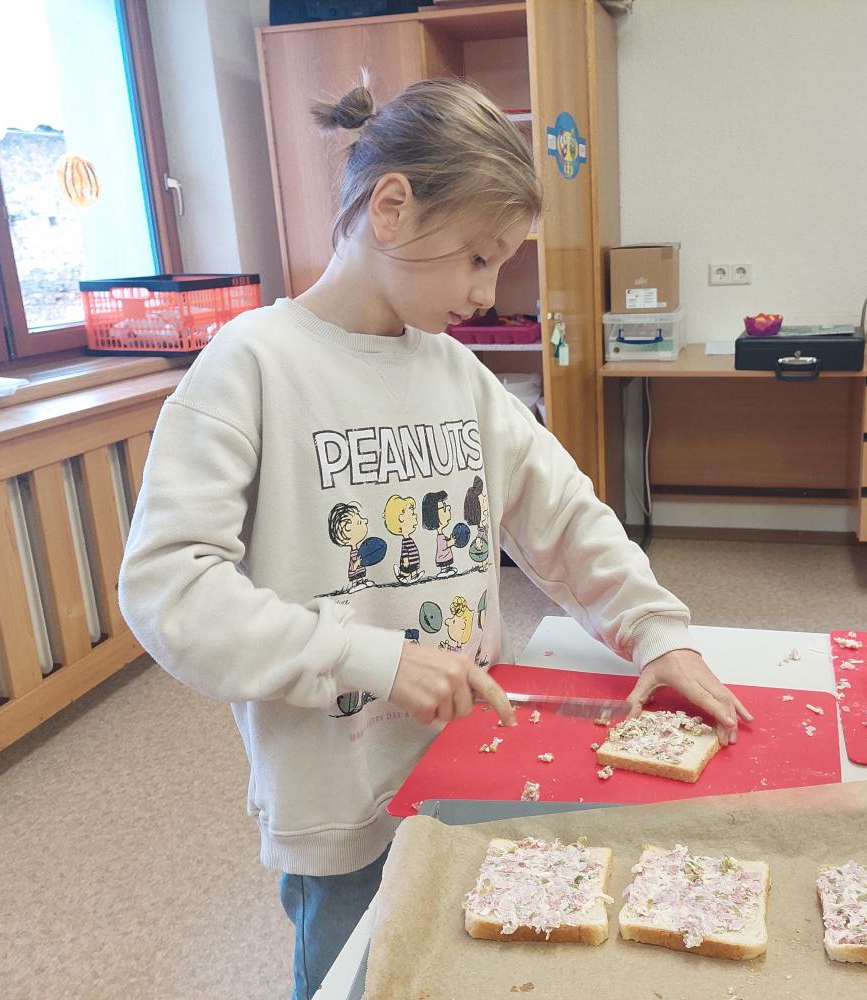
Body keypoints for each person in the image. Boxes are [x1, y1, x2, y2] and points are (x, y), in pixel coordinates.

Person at [117, 77, 750, 1000]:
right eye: (477, 259)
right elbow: (170, 591)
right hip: (338, 797)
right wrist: (370, 658)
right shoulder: (252, 364)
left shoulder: (457, 372)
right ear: (391, 207)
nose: (487, 294)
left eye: (501, 265)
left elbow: (564, 514)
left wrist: (657, 630)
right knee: (355, 976)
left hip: (464, 763)